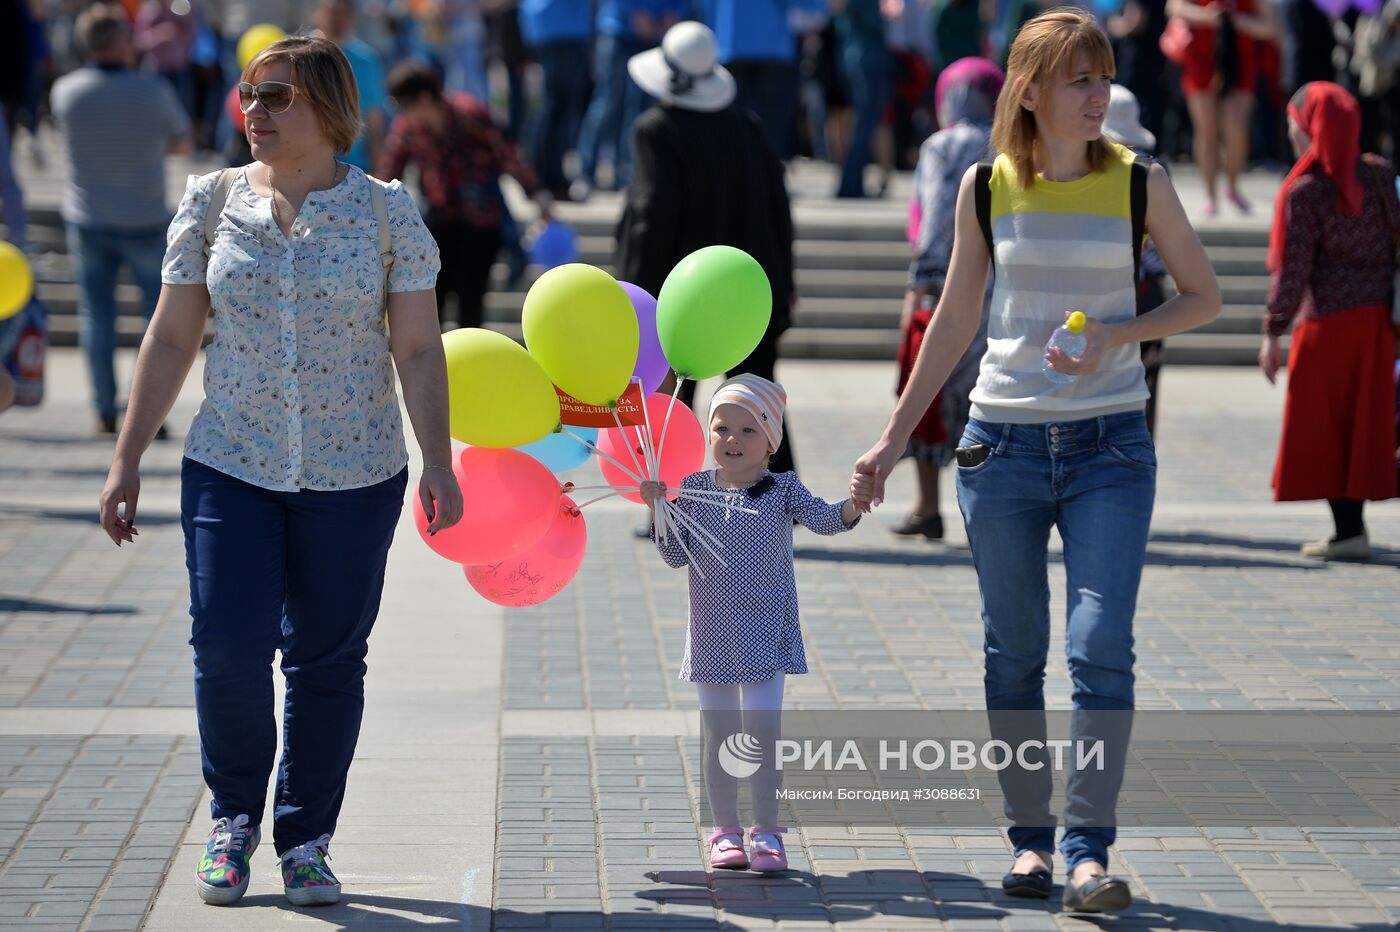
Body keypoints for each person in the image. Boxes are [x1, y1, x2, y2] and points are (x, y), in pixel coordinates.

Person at [849, 9, 1221, 913]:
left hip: (1111, 446)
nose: (1099, 96)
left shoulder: (1141, 181)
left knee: (1100, 648)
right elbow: (955, 320)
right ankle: (1031, 844)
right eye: (1079, 80)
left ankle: (1089, 851)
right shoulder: (987, 185)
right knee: (1012, 655)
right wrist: (892, 440)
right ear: (1031, 90)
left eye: (1103, 77)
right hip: (1000, 448)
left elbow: (1204, 297)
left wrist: (1119, 336)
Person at [97, 35, 462, 908]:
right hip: (233, 463)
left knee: (327, 662)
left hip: (356, 473)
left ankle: (306, 841)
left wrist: (438, 459)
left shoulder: (385, 213)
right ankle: (232, 823)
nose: (251, 112)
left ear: (328, 109)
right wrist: (127, 457)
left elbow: (415, 347)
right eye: (247, 96)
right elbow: (174, 336)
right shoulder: (211, 200)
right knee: (225, 648)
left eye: (274, 97)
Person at [638, 375, 860, 873]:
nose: (732, 440)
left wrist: (852, 506)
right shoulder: (692, 490)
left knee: (761, 734)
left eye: (747, 430)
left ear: (771, 441)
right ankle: (724, 832)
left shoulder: (783, 489)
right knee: (719, 737)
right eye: (721, 429)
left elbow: (824, 519)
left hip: (765, 633)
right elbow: (676, 556)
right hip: (713, 634)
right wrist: (659, 509)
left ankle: (766, 832)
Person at [617, 21, 799, 473]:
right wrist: (785, 281)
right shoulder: (748, 127)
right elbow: (780, 210)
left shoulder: (657, 129)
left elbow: (649, 217)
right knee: (757, 396)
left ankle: (669, 493)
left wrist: (635, 295)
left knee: (674, 400)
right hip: (752, 288)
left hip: (682, 293)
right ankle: (777, 497)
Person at [1260, 81, 1398, 560]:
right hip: (1379, 326)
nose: (1294, 136)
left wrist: (1273, 330)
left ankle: (1348, 531)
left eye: (1296, 126)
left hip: (1327, 330)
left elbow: (1293, 270)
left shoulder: (1306, 192)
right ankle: (1351, 530)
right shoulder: (1379, 175)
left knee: (1326, 430)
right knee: (1365, 427)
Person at [50, 4, 190, 434]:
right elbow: (183, 142)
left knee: (97, 317)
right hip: (144, 217)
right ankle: (147, 414)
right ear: (119, 42)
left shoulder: (65, 91)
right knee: (157, 324)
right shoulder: (153, 91)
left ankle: (103, 409)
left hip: (88, 216)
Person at [893, 56, 1003, 539]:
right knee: (984, 403)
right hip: (1000, 289)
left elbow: (936, 220)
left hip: (947, 289)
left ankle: (928, 506)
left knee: (931, 397)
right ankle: (988, 513)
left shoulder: (943, 145)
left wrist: (919, 287)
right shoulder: (1010, 145)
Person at [379, 60, 551, 330]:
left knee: (471, 299)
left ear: (425, 98)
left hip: (481, 223)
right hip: (438, 221)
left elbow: (508, 155)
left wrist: (536, 193)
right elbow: (389, 171)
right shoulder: (408, 129)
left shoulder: (470, 114)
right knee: (433, 296)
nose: (400, 112)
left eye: (403, 104)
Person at [1164, 0, 1276, 216]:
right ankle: (1210, 195)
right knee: (1206, 129)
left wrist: (1239, 21)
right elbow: (1174, 7)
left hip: (1239, 58)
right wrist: (1209, 16)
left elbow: (1269, 26)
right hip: (1200, 56)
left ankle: (1232, 186)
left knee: (1235, 126)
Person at [1101, 84, 1170, 436]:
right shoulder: (1155, 169)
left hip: (1123, 292)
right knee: (1144, 394)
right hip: (1152, 292)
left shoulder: (1113, 172)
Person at [572, 0, 687, 199]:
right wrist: (634, 12)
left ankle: (628, 176)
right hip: (618, 29)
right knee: (607, 104)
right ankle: (585, 173)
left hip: (654, 32)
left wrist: (675, 12)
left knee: (640, 111)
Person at [517, 0, 592, 197]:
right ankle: (544, 178)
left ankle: (542, 176)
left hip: (553, 25)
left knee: (553, 106)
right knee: (555, 107)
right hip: (562, 26)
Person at [312, 0, 389, 174]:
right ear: (316, 13)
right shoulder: (297, 54)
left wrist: (379, 172)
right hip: (305, 167)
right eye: (332, 11)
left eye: (344, 12)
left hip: (353, 169)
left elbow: (374, 121)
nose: (337, 18)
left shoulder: (367, 60)